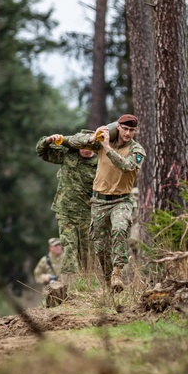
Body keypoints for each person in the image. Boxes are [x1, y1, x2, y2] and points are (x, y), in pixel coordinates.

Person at [66, 114, 145, 292]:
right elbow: (76, 141)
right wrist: (93, 137)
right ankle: (109, 278)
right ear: (118, 127)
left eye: (132, 130)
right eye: (125, 129)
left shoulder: (137, 150)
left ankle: (118, 272)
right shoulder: (102, 141)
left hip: (121, 200)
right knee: (99, 246)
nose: (128, 133)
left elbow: (127, 166)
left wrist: (107, 148)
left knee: (119, 228)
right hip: (99, 201)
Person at [36, 132, 99, 279]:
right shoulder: (68, 154)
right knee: (69, 246)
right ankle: (68, 283)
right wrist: (47, 140)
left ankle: (87, 284)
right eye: (81, 145)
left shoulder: (100, 163)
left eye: (88, 146)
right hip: (65, 212)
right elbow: (42, 152)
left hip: (87, 214)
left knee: (87, 252)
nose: (85, 149)